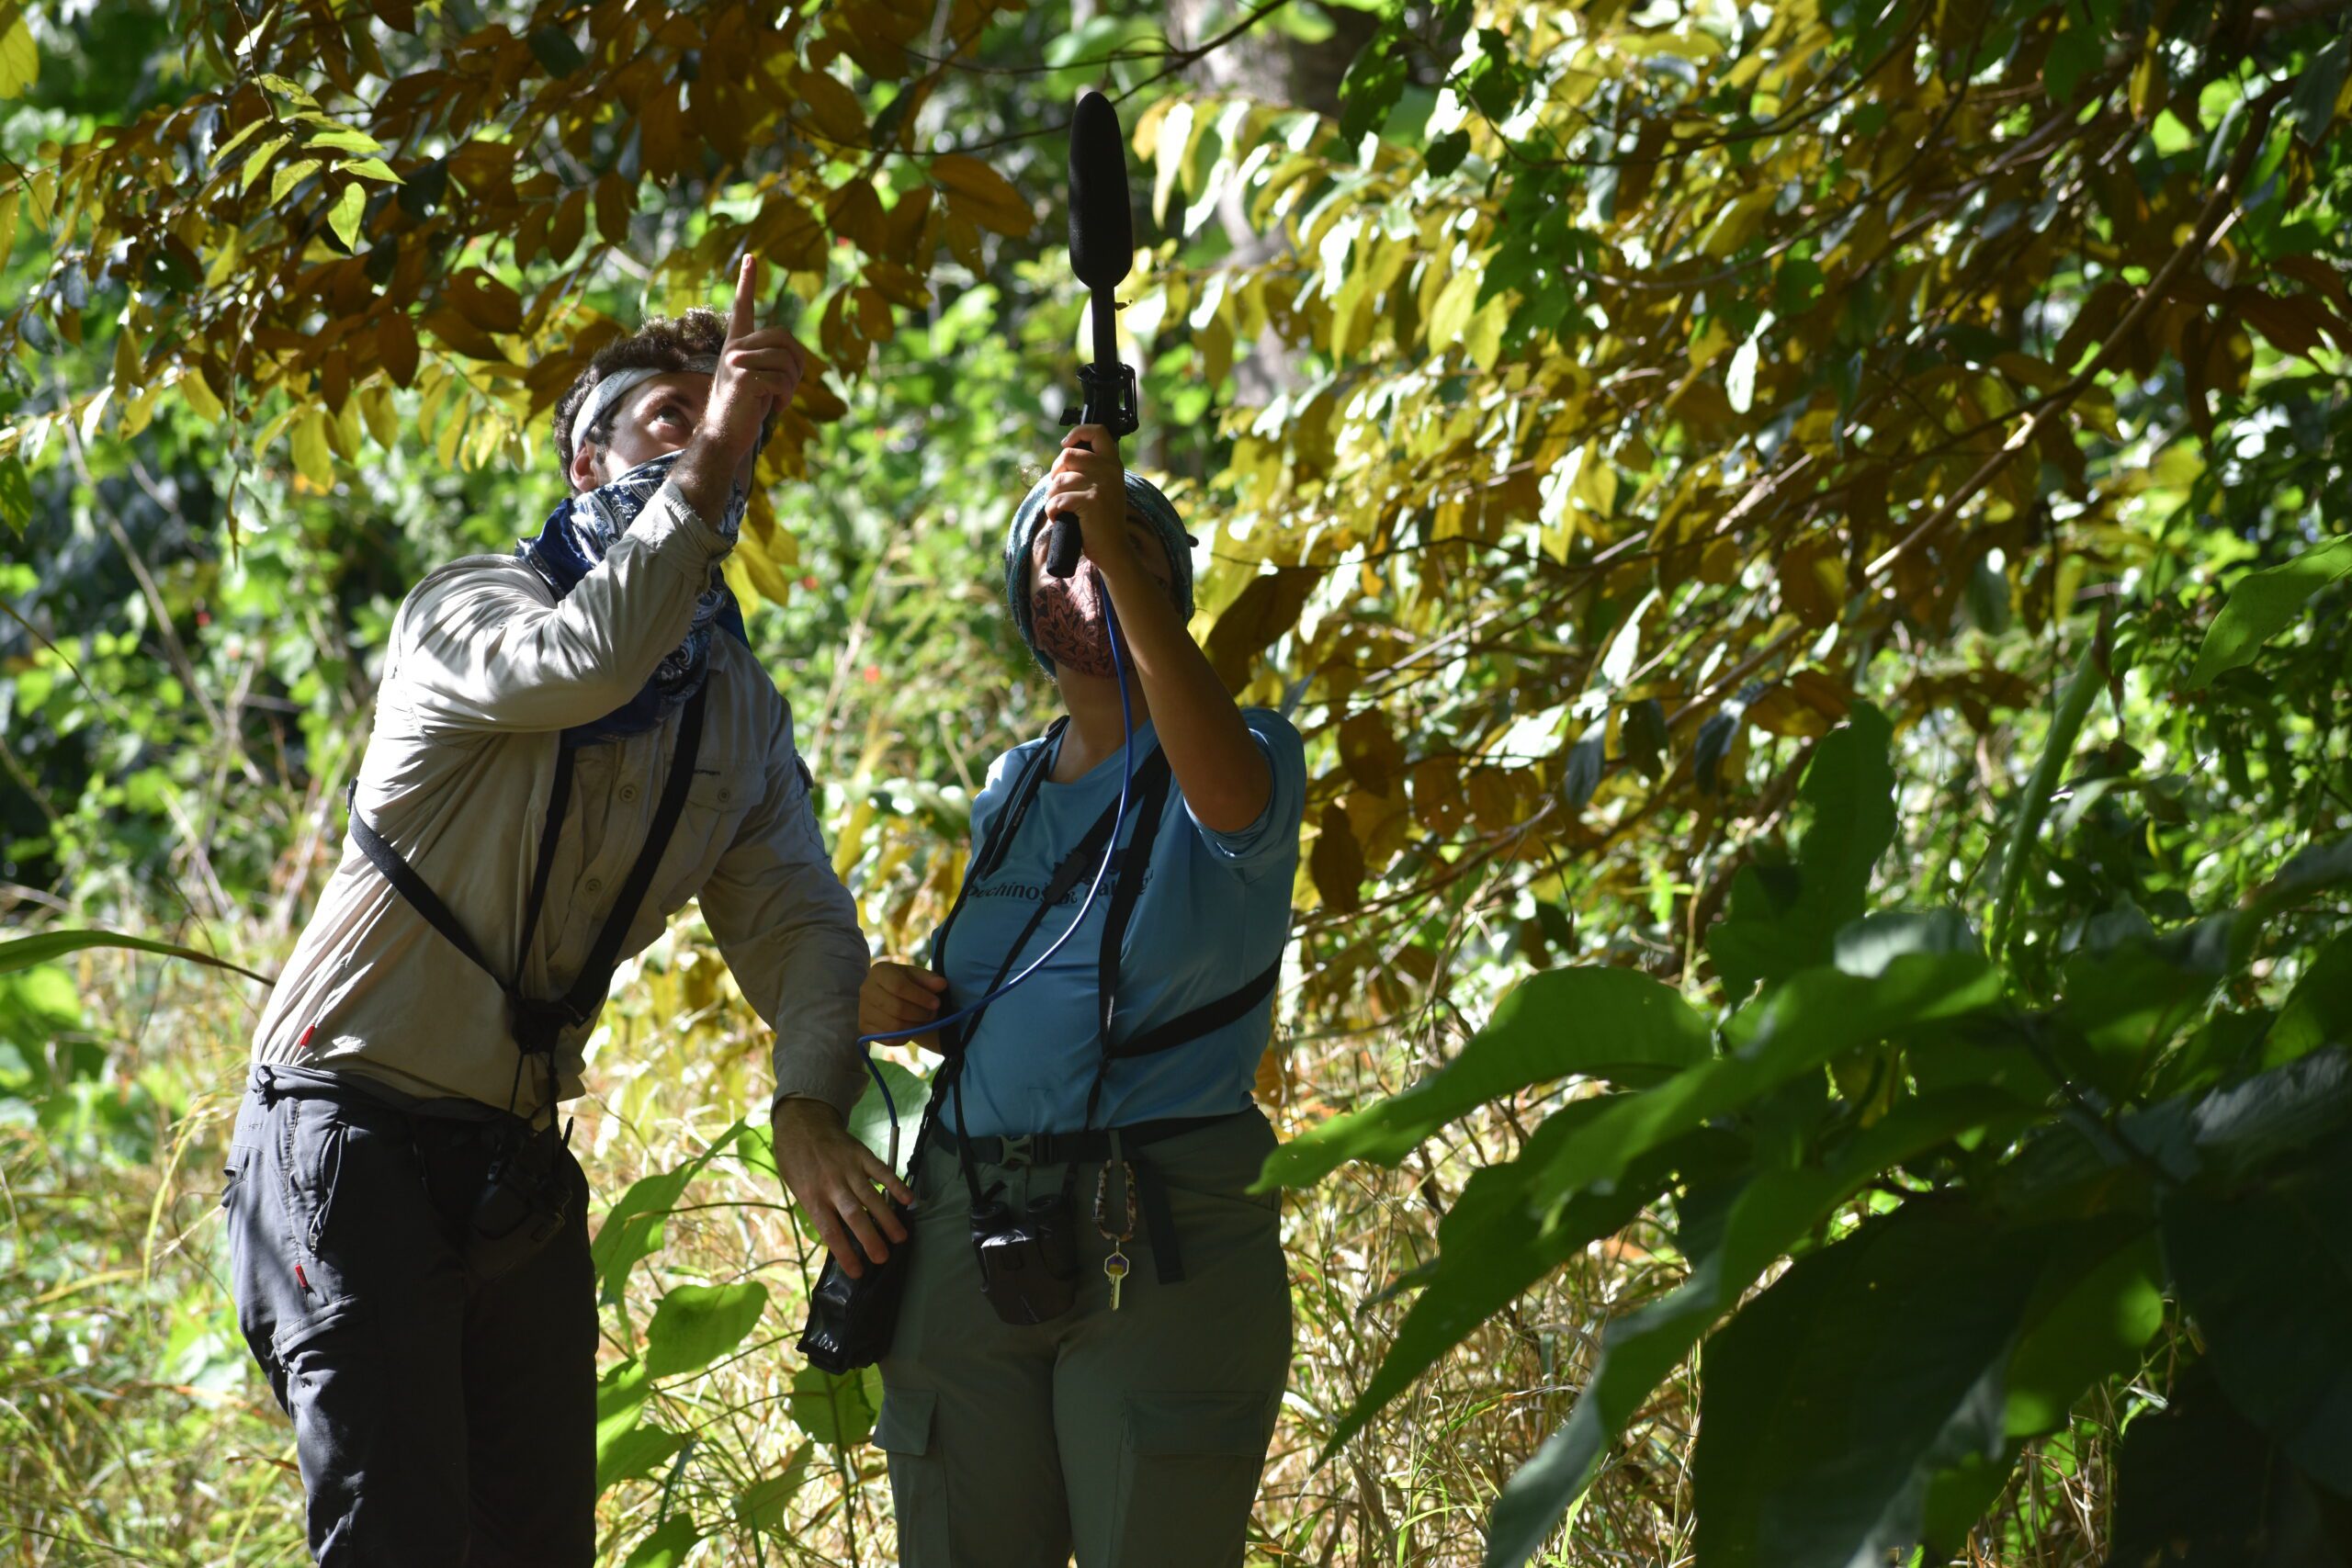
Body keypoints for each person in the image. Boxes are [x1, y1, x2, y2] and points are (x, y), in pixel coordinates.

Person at [220, 257, 906, 1565]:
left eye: (737, 423)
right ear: (586, 465)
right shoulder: (470, 611)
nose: (720, 438)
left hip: (512, 1165)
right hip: (342, 1130)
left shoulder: (736, 712)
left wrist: (810, 1099)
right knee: (399, 1537)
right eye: (676, 415)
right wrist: (708, 466)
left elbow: (799, 924)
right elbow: (586, 663)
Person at [857, 425, 1306, 1568]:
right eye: (1063, 552)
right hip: (972, 1210)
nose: (1093, 574)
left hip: (1157, 1217)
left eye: (1131, 556)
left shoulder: (1246, 750)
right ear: (1023, 596)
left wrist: (1113, 540)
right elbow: (1006, 978)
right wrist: (892, 999)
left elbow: (1227, 802)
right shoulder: (1011, 784)